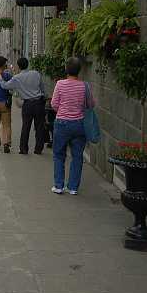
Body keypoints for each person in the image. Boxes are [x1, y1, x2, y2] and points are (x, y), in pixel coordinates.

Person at [50, 57, 94, 195]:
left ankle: (58, 185)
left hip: (62, 123)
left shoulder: (60, 84)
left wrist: (63, 111)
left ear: (66, 69)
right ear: (79, 71)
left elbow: (54, 104)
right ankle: (73, 187)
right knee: (77, 156)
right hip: (79, 124)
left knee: (58, 154)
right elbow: (90, 105)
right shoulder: (85, 86)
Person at [0, 57, 47, 155]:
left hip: (28, 104)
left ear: (18, 66)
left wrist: (0, 77)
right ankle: (38, 149)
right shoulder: (36, 74)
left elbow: (5, 86)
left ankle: (24, 149)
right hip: (39, 103)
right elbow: (42, 88)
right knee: (39, 127)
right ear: (27, 64)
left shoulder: (17, 78)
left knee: (26, 126)